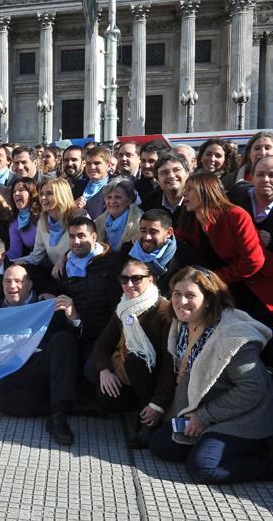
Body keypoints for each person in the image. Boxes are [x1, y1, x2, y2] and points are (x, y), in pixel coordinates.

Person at [148, 267, 273, 485]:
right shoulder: (184, 324)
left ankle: (265, 461)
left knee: (201, 468)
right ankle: (210, 443)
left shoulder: (232, 336)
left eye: (190, 295)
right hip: (208, 409)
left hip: (245, 417)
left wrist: (203, 417)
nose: (181, 301)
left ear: (208, 299)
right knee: (160, 445)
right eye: (177, 294)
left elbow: (254, 389)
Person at [0, 264, 81, 445]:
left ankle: (59, 418)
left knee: (63, 339)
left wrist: (73, 316)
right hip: (15, 371)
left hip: (44, 365)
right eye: (7, 281)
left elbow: (72, 342)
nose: (12, 286)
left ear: (29, 285)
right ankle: (63, 404)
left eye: (18, 281)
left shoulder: (46, 305)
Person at [93, 259, 175, 448]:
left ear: (150, 280)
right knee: (104, 395)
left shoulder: (163, 311)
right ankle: (139, 406)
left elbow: (171, 363)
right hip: (133, 376)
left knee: (136, 359)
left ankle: (148, 420)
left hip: (155, 377)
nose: (129, 285)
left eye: (136, 279)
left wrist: (158, 404)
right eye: (124, 279)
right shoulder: (124, 308)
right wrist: (104, 371)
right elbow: (102, 344)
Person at [176, 173, 273, 319]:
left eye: (190, 189)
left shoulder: (236, 216)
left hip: (255, 287)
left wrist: (215, 277)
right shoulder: (191, 221)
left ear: (206, 190)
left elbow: (254, 261)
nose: (184, 193)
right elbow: (172, 241)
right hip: (221, 290)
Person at [56, 217, 120, 379]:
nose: (76, 241)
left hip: (110, 338)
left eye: (81, 236)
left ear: (94, 237)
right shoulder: (64, 268)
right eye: (72, 236)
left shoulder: (113, 261)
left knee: (91, 372)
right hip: (82, 337)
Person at [119, 209, 201, 294]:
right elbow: (116, 288)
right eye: (143, 231)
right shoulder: (128, 250)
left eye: (153, 232)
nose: (147, 237)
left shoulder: (186, 254)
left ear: (168, 233)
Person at [16, 178, 85, 276]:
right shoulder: (43, 222)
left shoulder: (78, 218)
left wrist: (64, 258)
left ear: (61, 196)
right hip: (61, 278)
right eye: (42, 194)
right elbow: (36, 257)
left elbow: (87, 250)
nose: (43, 198)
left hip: (83, 275)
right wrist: (11, 261)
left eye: (49, 193)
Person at [229, 156, 273, 254]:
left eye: (271, 175)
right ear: (252, 178)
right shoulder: (237, 194)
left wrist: (270, 243)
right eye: (260, 174)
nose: (265, 179)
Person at [141, 152, 189, 228]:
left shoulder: (197, 200)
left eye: (176, 170)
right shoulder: (149, 202)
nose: (171, 176)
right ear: (158, 180)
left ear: (187, 173)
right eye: (164, 173)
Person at [94, 179, 143, 252]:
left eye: (118, 197)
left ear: (129, 200)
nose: (112, 202)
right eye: (109, 197)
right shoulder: (97, 223)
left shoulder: (140, 223)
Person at [73, 146, 112, 219]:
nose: (92, 167)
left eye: (97, 163)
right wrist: (73, 206)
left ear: (108, 166)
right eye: (88, 163)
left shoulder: (116, 186)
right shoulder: (78, 186)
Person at [7, 177, 40, 261]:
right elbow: (15, 252)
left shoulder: (43, 214)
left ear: (32, 193)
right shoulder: (15, 221)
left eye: (21, 190)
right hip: (38, 264)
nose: (16, 194)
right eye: (14, 191)